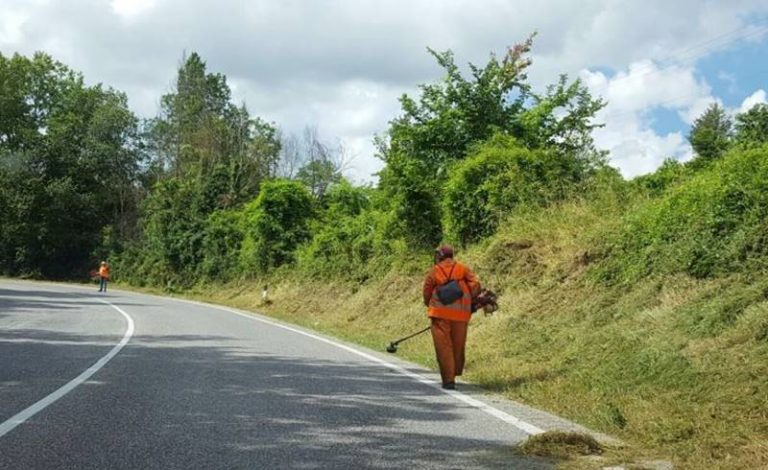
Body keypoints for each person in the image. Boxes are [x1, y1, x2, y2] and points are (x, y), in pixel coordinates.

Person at [422, 245, 481, 390]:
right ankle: (455, 371)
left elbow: (427, 291)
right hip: (461, 315)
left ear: (439, 256)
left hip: (440, 314)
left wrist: (430, 304)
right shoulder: (463, 268)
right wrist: (468, 299)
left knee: (444, 347)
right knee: (457, 346)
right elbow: (476, 284)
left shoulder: (434, 271)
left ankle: (448, 380)